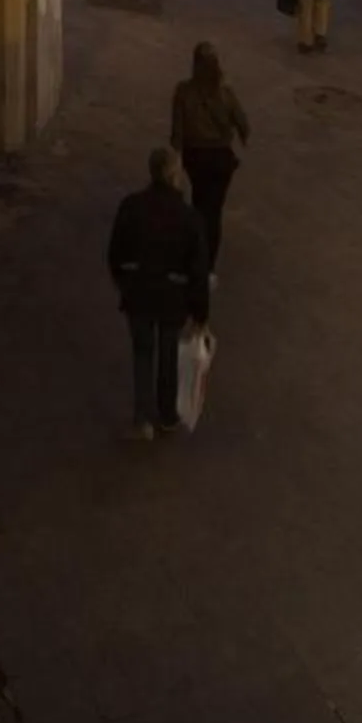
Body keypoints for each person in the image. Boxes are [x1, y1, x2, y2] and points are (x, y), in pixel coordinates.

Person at [106, 145, 210, 439]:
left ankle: (142, 419)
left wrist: (123, 282)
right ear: (175, 175)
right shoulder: (189, 218)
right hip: (172, 298)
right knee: (168, 354)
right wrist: (200, 312)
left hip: (138, 292)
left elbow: (114, 252)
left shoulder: (131, 206)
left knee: (142, 354)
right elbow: (198, 271)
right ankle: (166, 413)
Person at [170, 42, 250, 278]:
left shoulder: (183, 91)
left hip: (195, 157)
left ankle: (192, 256)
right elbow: (243, 123)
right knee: (214, 212)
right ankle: (208, 267)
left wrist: (175, 163)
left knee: (199, 204)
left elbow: (177, 134)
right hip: (221, 159)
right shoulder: (225, 92)